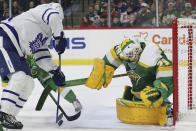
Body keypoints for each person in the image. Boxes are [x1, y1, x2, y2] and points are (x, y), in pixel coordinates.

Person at [0, 2, 67, 129]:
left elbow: (42, 57)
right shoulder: (46, 10)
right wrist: (59, 37)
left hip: (17, 51)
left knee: (29, 83)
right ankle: (4, 113)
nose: (58, 22)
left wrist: (55, 71)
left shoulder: (46, 34)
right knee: (19, 77)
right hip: (5, 37)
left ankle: (10, 115)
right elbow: (53, 16)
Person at [85, 38, 173, 126]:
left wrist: (160, 91)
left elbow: (167, 76)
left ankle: (163, 104)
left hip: (151, 98)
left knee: (155, 97)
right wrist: (104, 69)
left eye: (130, 55)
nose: (127, 59)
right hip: (136, 96)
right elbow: (113, 55)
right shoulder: (124, 51)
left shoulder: (152, 55)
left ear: (137, 50)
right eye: (125, 56)